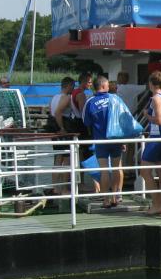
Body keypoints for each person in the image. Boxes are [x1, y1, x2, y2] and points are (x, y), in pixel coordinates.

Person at [82, 76, 124, 209]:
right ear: (104, 86)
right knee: (117, 168)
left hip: (101, 140)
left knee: (104, 170)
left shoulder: (90, 102)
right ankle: (116, 196)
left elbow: (86, 122)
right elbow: (124, 118)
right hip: (116, 138)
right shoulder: (115, 99)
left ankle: (106, 199)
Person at [140, 71, 161, 216]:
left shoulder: (156, 98)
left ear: (151, 84)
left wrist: (147, 115)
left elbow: (159, 120)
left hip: (156, 137)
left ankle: (157, 204)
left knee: (144, 171)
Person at [47, 77, 76, 194]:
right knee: (67, 159)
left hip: (54, 129)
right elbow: (58, 112)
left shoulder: (54, 97)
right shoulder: (66, 97)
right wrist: (62, 128)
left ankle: (55, 187)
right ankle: (63, 188)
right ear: (69, 86)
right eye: (73, 86)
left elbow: (51, 112)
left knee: (58, 158)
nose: (73, 89)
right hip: (62, 129)